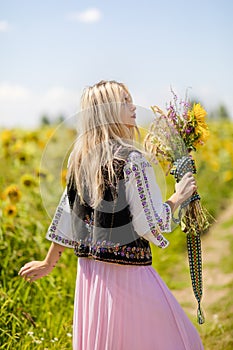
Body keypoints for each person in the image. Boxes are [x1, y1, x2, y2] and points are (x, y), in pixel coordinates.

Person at [19, 80, 204, 350]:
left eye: (131, 100)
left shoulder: (79, 159)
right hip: (128, 275)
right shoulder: (133, 159)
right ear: (106, 111)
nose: (133, 107)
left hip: (91, 276)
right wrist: (178, 197)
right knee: (180, 339)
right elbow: (148, 224)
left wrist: (49, 262)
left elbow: (69, 214)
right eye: (124, 102)